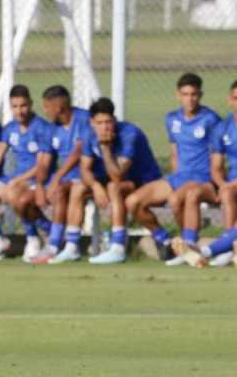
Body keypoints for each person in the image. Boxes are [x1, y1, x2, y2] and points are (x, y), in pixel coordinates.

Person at [125, 73, 219, 265]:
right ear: (178, 95)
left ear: (200, 95)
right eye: (185, 94)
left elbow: (217, 155)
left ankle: (188, 247)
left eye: (194, 94)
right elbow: (174, 152)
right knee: (133, 201)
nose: (190, 99)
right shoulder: (172, 119)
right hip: (178, 177)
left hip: (201, 177)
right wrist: (175, 177)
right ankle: (165, 240)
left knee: (176, 200)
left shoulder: (211, 119)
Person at [0, 85, 54, 260]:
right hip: (16, 179)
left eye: (23, 105)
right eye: (15, 106)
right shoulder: (10, 128)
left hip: (38, 179)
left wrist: (20, 180)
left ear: (30, 103)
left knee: (17, 197)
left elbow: (43, 165)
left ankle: (34, 238)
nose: (19, 111)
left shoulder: (43, 128)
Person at [78, 98, 162, 264]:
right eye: (99, 122)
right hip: (119, 180)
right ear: (92, 123)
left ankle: (118, 247)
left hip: (145, 181)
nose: (105, 127)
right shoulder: (88, 134)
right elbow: (84, 169)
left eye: (108, 121)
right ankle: (69, 246)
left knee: (113, 187)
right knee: (78, 189)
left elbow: (117, 176)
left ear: (115, 120)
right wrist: (95, 186)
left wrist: (105, 147)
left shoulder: (130, 134)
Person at [172, 81, 237, 267]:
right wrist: (223, 184)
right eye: (236, 98)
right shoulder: (223, 128)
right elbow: (216, 167)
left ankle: (204, 251)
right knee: (225, 192)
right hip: (232, 185)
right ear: (230, 100)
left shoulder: (211, 119)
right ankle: (222, 249)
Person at [33, 85, 92, 264]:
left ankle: (59, 245)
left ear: (58, 107)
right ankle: (55, 245)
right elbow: (44, 161)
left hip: (89, 175)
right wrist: (40, 186)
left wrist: (56, 178)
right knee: (26, 197)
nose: (44, 111)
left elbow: (78, 153)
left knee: (62, 189)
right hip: (66, 179)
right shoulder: (51, 128)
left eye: (46, 106)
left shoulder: (84, 119)